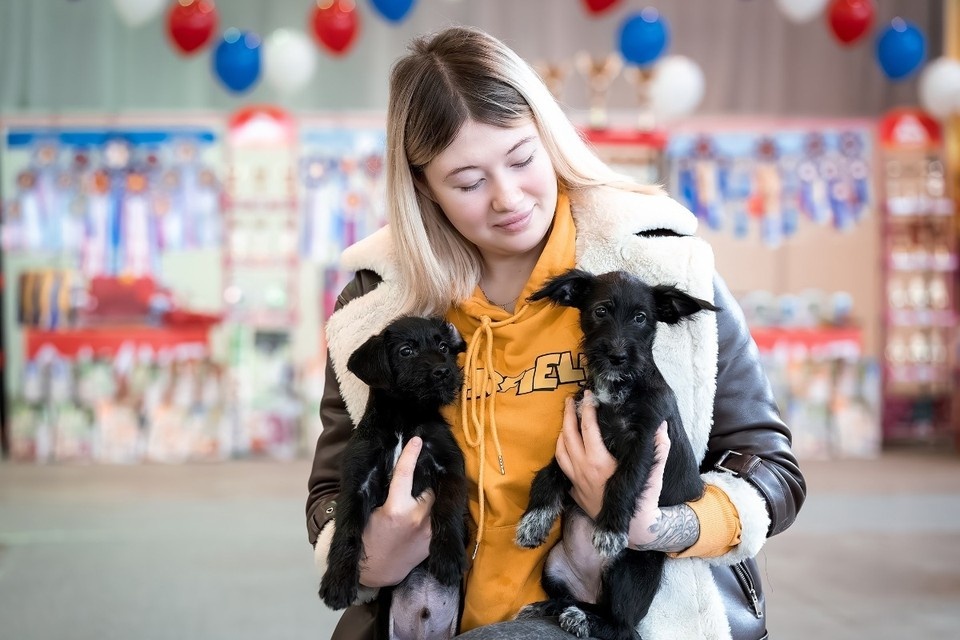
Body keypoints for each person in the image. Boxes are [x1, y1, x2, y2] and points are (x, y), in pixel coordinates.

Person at [306, 26, 805, 640]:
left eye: (521, 159)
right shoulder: (375, 307)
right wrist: (369, 554)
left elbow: (772, 469)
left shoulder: (661, 269)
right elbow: (330, 489)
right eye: (467, 182)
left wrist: (656, 524)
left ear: (550, 138)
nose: (508, 197)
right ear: (423, 190)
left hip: (609, 614)